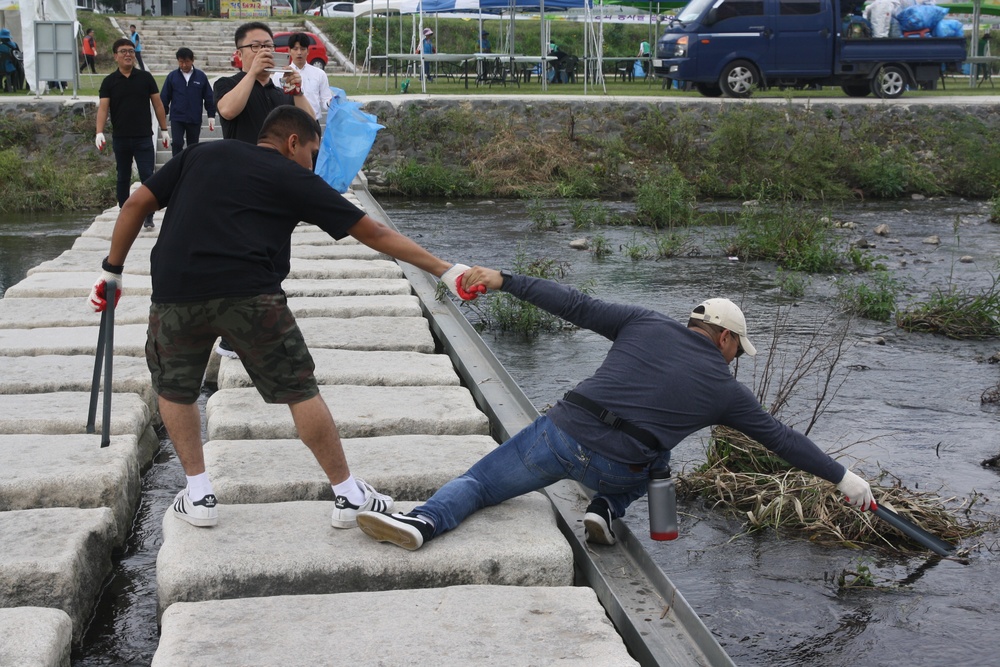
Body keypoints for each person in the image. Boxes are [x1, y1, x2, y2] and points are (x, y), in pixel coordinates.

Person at [86, 105, 479, 530]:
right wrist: (445, 269)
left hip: (175, 292)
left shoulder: (202, 155)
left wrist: (112, 271)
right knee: (299, 391)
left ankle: (198, 494)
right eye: (312, 151)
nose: (314, 162)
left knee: (175, 389)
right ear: (293, 143)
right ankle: (347, 495)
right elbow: (374, 233)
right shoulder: (294, 176)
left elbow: (138, 201)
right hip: (251, 294)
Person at [355, 268, 876, 551]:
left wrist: (505, 280)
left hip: (562, 435)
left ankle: (423, 522)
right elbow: (781, 439)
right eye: (739, 349)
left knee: (479, 485)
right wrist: (846, 479)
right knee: (656, 455)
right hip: (618, 464)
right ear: (723, 338)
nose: (737, 359)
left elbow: (574, 305)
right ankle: (605, 509)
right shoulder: (726, 391)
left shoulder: (644, 321)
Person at [95, 38, 169, 230]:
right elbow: (103, 109)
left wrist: (164, 130)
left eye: (131, 51)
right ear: (115, 56)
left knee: (147, 176)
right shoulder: (109, 82)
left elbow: (158, 104)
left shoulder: (145, 78)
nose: (128, 54)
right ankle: (124, 211)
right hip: (121, 138)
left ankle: (148, 214)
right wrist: (99, 132)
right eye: (123, 51)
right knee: (123, 176)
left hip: (144, 137)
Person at [214, 21, 313, 144]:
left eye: (268, 46)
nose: (264, 52)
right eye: (255, 46)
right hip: (242, 161)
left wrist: (297, 92)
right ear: (239, 54)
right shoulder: (226, 84)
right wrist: (253, 72)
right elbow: (228, 111)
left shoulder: (282, 93)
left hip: (276, 162)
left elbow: (311, 125)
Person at [160, 47, 217, 156]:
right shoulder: (172, 77)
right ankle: (177, 167)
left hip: (194, 118)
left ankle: (190, 168)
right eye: (181, 62)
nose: (184, 65)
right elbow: (164, 98)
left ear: (192, 60)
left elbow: (209, 96)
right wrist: (162, 117)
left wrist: (211, 115)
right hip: (177, 117)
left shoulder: (200, 76)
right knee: (177, 143)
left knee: (193, 146)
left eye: (187, 62)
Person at [270, 32, 331, 123]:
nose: (299, 53)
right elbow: (275, 100)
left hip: (312, 122)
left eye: (303, 49)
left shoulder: (319, 74)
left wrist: (333, 102)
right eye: (295, 49)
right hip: (289, 122)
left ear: (308, 51)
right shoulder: (280, 74)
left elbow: (326, 101)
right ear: (289, 51)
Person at [0, 28, 23, 93]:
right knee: (14, 69)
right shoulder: (15, 45)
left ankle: (3, 85)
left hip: (2, 67)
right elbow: (19, 55)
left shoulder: (1, 46)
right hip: (12, 67)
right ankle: (14, 86)